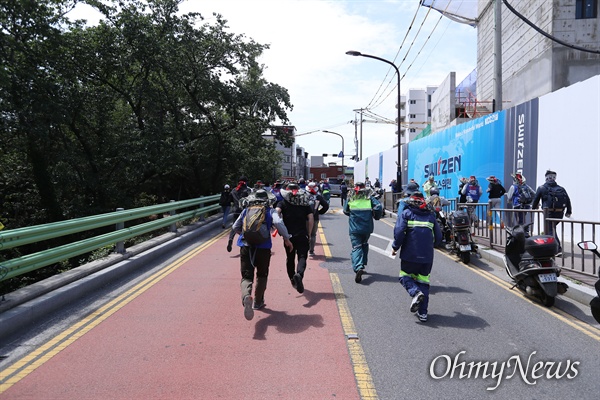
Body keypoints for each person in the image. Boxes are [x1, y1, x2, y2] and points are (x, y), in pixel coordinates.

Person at [231, 189, 293, 320]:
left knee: (246, 276)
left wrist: (244, 236)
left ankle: (246, 296)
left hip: (246, 246)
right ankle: (258, 301)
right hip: (263, 247)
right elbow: (279, 223)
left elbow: (235, 227)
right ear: (267, 199)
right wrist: (286, 238)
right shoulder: (270, 211)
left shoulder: (246, 210)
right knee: (262, 274)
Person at [391, 192, 442, 322]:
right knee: (423, 282)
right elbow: (438, 237)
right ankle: (423, 313)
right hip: (427, 257)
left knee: (404, 276)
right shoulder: (431, 216)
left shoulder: (407, 214)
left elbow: (399, 231)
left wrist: (395, 247)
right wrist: (431, 246)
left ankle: (415, 292)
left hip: (410, 254)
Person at [277, 182, 314, 293]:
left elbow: (277, 213)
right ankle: (300, 274)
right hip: (302, 234)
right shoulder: (304, 204)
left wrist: (280, 228)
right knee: (302, 256)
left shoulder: (282, 203)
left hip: (288, 236)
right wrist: (309, 233)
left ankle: (293, 279)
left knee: (290, 258)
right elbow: (311, 218)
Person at [343, 182, 383, 283]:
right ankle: (363, 263)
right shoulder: (369, 197)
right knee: (364, 244)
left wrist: (353, 215)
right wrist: (376, 216)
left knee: (356, 247)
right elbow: (378, 206)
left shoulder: (351, 197)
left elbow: (345, 210)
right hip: (367, 227)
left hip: (355, 227)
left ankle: (358, 267)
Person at [532, 170, 572, 257]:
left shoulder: (542, 188)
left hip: (549, 213)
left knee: (550, 230)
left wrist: (533, 208)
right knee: (552, 229)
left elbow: (535, 200)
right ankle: (550, 247)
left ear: (546, 178)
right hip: (560, 213)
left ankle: (558, 248)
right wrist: (568, 212)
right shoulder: (561, 188)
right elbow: (568, 200)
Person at [227, 177, 251, 252]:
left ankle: (231, 239)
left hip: (236, 211)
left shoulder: (234, 190)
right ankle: (245, 243)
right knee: (246, 227)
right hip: (244, 212)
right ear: (245, 182)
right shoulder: (247, 190)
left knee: (234, 226)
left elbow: (230, 200)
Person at [307, 182, 329, 255]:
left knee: (305, 234)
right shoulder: (318, 196)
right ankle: (311, 251)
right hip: (315, 217)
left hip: (305, 217)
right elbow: (326, 205)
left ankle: (304, 249)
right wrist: (319, 212)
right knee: (313, 234)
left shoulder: (304, 196)